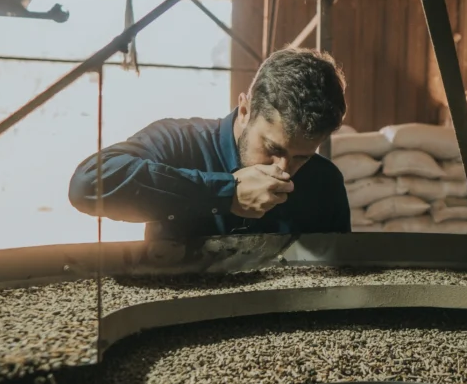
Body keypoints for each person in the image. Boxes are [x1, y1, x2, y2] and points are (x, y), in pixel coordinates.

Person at [68, 47, 351, 240]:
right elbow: (87, 185)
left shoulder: (325, 184)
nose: (284, 170)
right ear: (244, 109)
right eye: (272, 149)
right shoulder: (179, 143)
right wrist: (225, 194)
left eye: (302, 157)